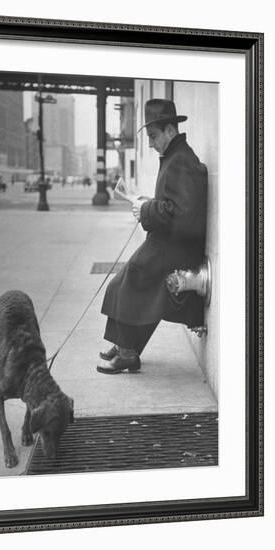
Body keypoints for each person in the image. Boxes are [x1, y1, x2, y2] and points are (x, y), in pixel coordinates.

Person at [97, 98, 208, 375]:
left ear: (171, 131)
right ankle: (126, 347)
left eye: (154, 136)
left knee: (131, 278)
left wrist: (146, 209)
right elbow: (173, 205)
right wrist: (145, 203)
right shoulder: (175, 156)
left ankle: (127, 351)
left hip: (178, 246)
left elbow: (183, 214)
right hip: (170, 241)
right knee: (123, 282)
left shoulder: (180, 161)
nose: (150, 143)